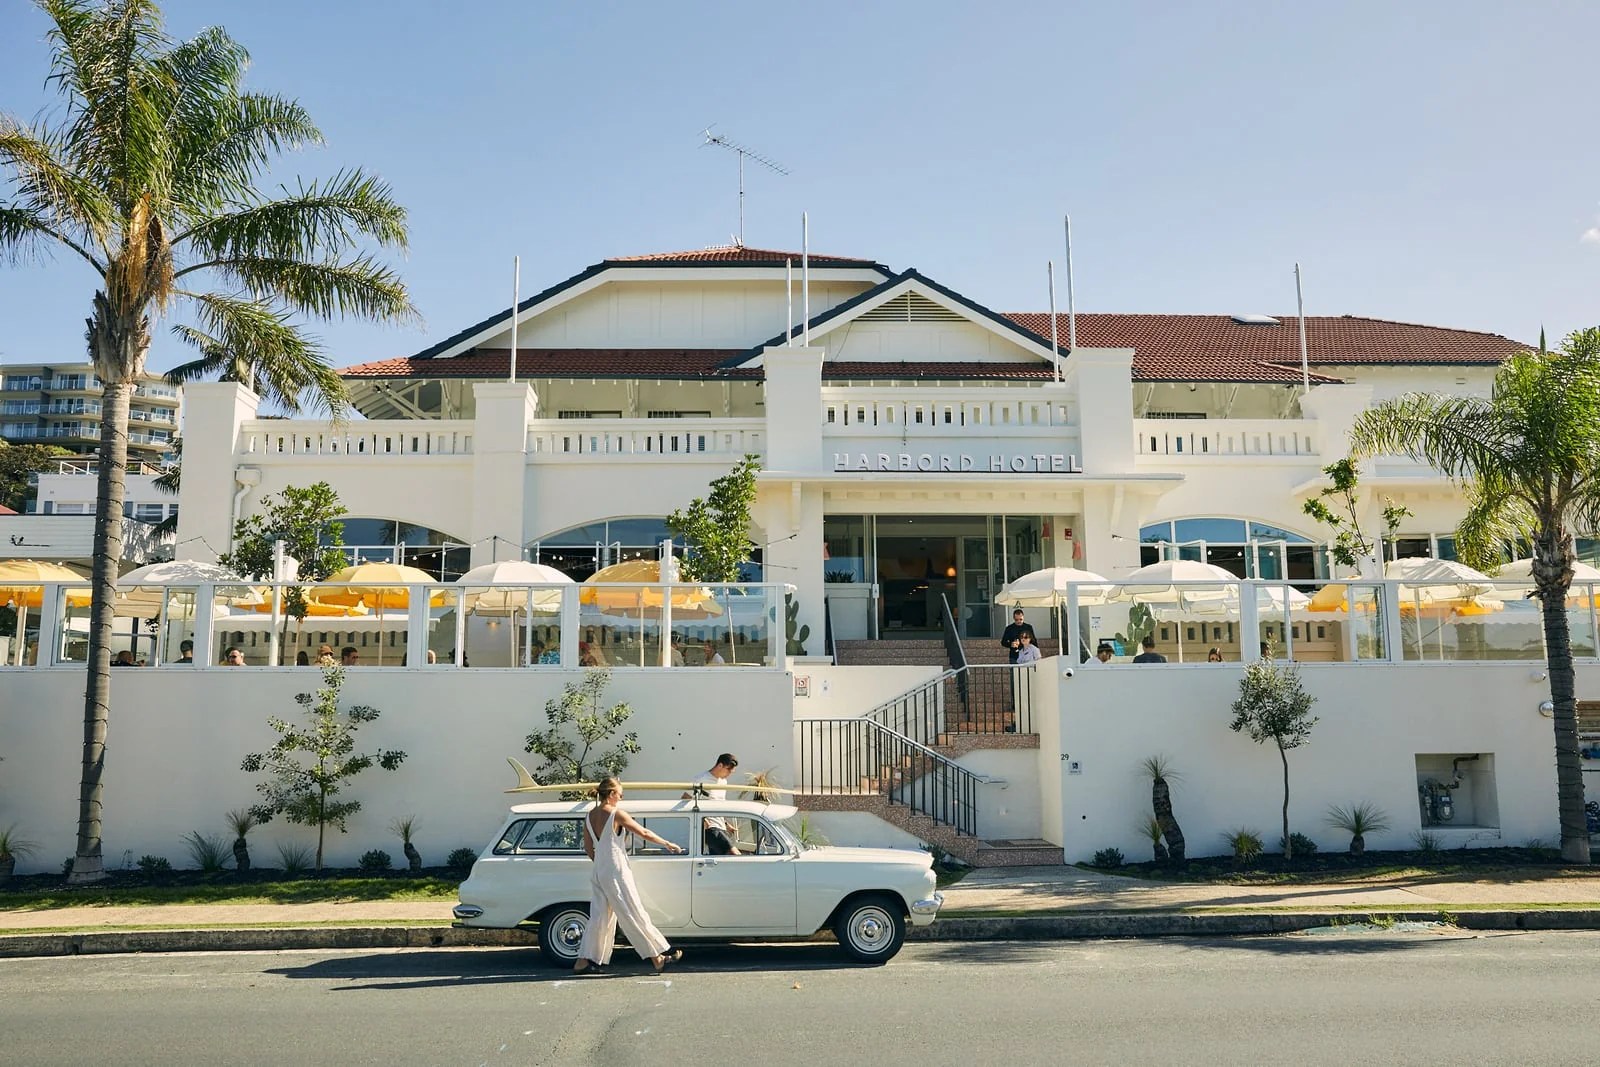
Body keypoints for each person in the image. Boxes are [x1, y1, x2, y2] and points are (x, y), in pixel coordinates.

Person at [575, 777, 684, 975]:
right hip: (616, 870)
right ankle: (657, 958)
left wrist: (602, 863)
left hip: (599, 871)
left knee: (599, 917)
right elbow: (643, 832)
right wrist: (667, 843)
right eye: (620, 794)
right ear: (611, 794)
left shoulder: (590, 815)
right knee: (632, 911)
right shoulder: (616, 814)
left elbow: (588, 848)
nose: (621, 798)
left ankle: (583, 961)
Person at [685, 754, 740, 855]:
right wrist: (702, 819)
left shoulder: (723, 782)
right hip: (710, 828)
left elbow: (718, 805)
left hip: (721, 827)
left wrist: (726, 824)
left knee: (719, 861)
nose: (729, 774)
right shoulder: (701, 779)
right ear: (720, 765)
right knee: (735, 855)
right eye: (728, 770)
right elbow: (685, 799)